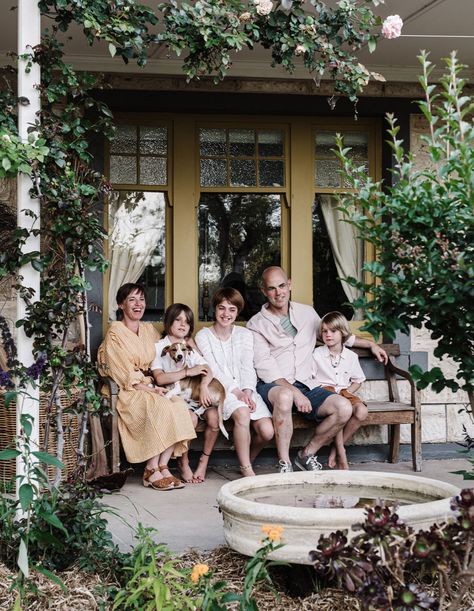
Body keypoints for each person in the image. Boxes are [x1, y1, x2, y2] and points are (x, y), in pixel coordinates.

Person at [247, 266, 387, 473]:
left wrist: (371, 345)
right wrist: (295, 394)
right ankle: (284, 463)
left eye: (282, 286)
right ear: (263, 291)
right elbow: (266, 369)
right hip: (274, 387)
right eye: (272, 288)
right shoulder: (256, 324)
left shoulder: (307, 313)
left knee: (344, 408)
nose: (279, 293)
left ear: (290, 284)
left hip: (307, 383)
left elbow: (336, 333)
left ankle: (306, 454)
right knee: (285, 396)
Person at [97, 283, 196, 491]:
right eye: (132, 299)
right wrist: (151, 389)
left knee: (179, 407)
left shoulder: (149, 331)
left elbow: (169, 345)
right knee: (158, 406)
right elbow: (122, 373)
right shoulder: (115, 334)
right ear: (120, 304)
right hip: (128, 389)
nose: (138, 304)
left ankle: (163, 465)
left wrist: (190, 343)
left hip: (151, 385)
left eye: (141, 299)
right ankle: (150, 469)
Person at [195, 288, 274, 477]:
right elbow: (214, 369)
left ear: (237, 312)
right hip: (221, 389)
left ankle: (248, 459)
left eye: (232, 309)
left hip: (246, 388)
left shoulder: (245, 334)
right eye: (221, 308)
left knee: (267, 431)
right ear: (214, 309)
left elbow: (248, 366)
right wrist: (236, 392)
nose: (226, 314)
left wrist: (247, 391)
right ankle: (247, 469)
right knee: (242, 412)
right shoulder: (203, 336)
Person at [151, 303, 220, 484]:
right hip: (174, 396)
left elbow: (206, 368)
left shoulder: (187, 346)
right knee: (191, 419)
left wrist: (204, 386)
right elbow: (160, 379)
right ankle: (183, 462)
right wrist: (187, 372)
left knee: (214, 417)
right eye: (178, 320)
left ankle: (203, 462)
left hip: (193, 394)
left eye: (187, 322)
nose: (183, 325)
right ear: (168, 322)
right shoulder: (159, 347)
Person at [313, 311, 368, 470]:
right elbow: (311, 379)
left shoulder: (351, 356)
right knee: (340, 409)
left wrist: (347, 392)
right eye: (324, 331)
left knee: (361, 412)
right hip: (325, 393)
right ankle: (341, 453)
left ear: (343, 332)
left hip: (344, 391)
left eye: (333, 331)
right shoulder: (317, 354)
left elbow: (358, 380)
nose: (328, 335)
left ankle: (336, 448)